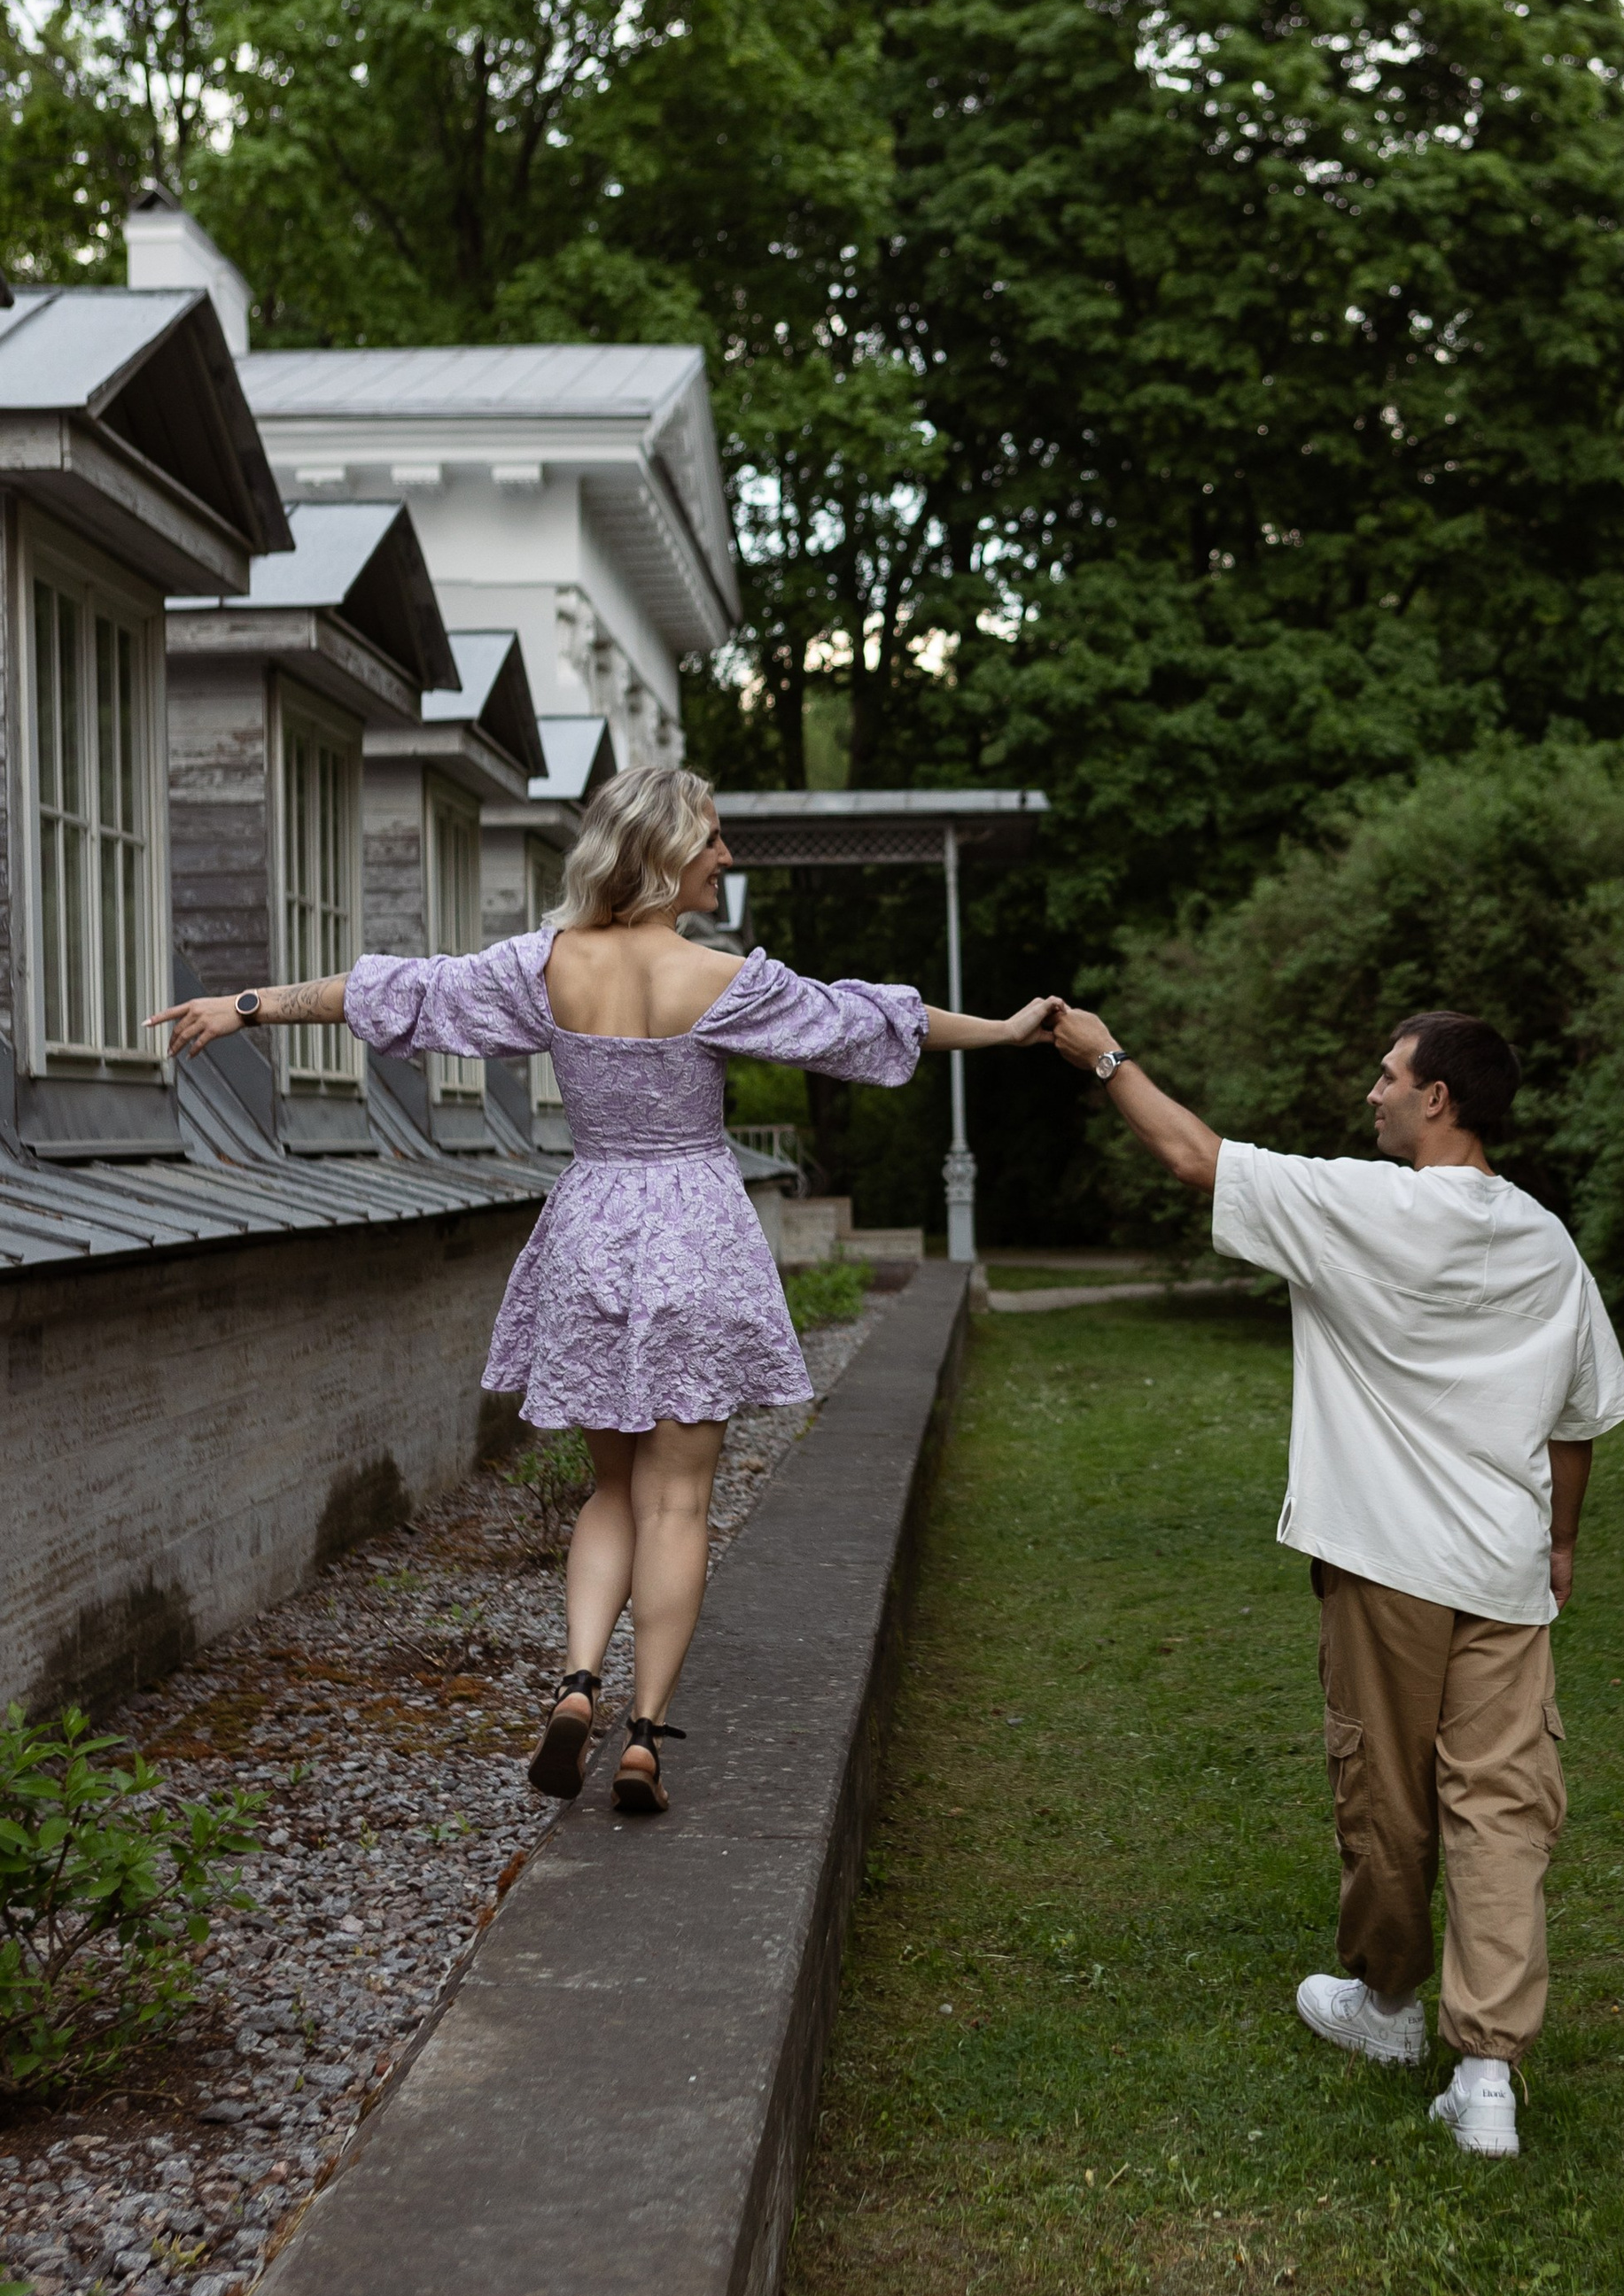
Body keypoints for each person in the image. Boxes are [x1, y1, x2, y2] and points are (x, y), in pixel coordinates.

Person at [151, 766, 1054, 1818]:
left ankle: (576, 1684)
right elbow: (867, 1024)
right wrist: (1000, 1030)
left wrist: (248, 1005)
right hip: (694, 1238)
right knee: (678, 1503)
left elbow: (398, 992)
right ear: (667, 853)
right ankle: (642, 1740)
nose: (726, 857)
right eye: (712, 840)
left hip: (590, 1236)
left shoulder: (544, 967)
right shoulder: (721, 979)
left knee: (611, 1492)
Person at [1047, 1001, 1624, 2157]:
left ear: (1438, 1101)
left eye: (1387, 1076)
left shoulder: (1362, 1209)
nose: (1371, 1093)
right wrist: (1562, 1541)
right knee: (1505, 1811)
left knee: (1390, 1798)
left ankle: (1391, 2008)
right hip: (1506, 1574)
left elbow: (1187, 1155)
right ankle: (1490, 2076)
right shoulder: (1543, 1240)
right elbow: (1580, 1419)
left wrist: (1102, 1056)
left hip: (1387, 1566)